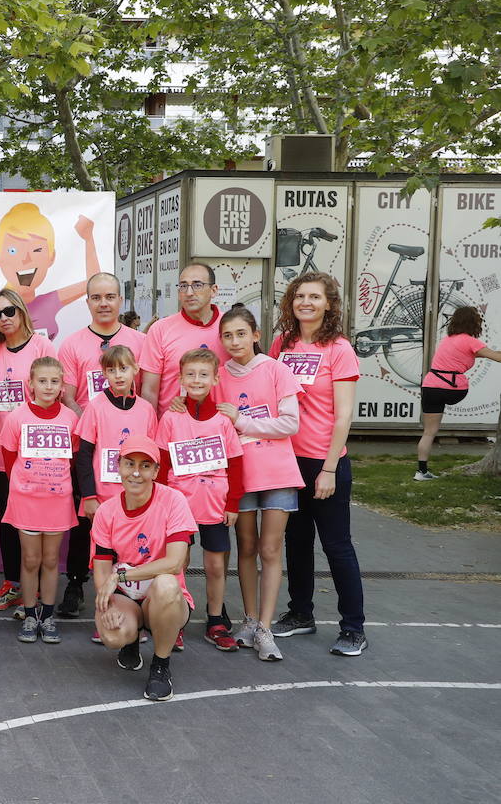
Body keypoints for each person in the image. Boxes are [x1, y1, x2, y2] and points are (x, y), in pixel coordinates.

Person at [268, 274, 367, 656]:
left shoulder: (339, 349)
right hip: (286, 462)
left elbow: (343, 417)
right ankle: (300, 613)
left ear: (329, 304)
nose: (305, 302)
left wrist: (328, 469)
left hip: (324, 463)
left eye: (314, 296)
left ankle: (353, 627)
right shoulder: (283, 344)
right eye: (299, 295)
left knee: (337, 546)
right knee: (297, 541)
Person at [55, 272, 146, 618]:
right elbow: (66, 392)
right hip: (90, 443)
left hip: (131, 449)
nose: (104, 303)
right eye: (96, 297)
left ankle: (129, 587)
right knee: (86, 520)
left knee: (130, 518)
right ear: (88, 302)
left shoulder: (139, 340)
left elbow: (148, 390)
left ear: (120, 300)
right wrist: (94, 416)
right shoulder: (72, 343)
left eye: (110, 296)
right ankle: (77, 583)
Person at [213, 303, 301, 661]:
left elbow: (289, 423)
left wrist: (244, 422)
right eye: (227, 336)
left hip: (277, 472)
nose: (234, 341)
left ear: (256, 336)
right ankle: (249, 620)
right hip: (241, 476)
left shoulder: (277, 370)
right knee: (245, 548)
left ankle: (265, 627)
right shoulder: (219, 376)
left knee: (270, 549)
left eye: (240, 334)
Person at [90, 434, 198, 702]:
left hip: (163, 597)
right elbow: (102, 570)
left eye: (145, 465)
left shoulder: (173, 501)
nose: (136, 472)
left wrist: (122, 575)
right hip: (127, 596)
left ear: (156, 471)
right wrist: (109, 605)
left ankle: (161, 665)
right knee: (112, 634)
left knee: (166, 583)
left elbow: (174, 562)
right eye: (129, 464)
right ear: (119, 466)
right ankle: (130, 640)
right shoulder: (107, 511)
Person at [155, 348, 244, 651]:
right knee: (177, 564)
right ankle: (176, 619)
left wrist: (233, 503)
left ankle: (215, 620)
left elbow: (236, 464)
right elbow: (162, 464)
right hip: (178, 505)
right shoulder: (171, 417)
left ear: (216, 378)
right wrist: (159, 502)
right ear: (180, 378)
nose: (196, 379)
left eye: (203, 374)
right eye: (190, 374)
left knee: (215, 565)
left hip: (214, 506)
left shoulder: (221, 420)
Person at [0, 288, 55, 614]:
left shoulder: (41, 346)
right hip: (2, 455)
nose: (4, 319)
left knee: (38, 523)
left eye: (9, 311)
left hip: (38, 456)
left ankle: (38, 588)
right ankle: (13, 583)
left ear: (22, 311)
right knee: (9, 521)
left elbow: (56, 392)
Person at [0, 356, 77, 643]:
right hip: (26, 501)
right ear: (30, 383)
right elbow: (9, 457)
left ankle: (47, 614)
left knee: (51, 559)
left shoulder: (70, 418)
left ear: (62, 386)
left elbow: (74, 458)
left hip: (57, 502)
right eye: (42, 381)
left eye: (54, 381)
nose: (48, 386)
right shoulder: (17, 417)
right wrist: (26, 485)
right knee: (30, 559)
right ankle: (29, 614)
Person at [0, 205, 100, 340]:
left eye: (37, 250)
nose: (26, 260)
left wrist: (88, 239)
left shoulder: (48, 301)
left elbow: (93, 283)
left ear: (51, 257)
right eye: (13, 251)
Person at [417, 306, 500, 480]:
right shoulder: (471, 341)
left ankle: (421, 471)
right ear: (473, 322)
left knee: (429, 432)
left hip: (430, 386)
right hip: (453, 390)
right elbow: (496, 357)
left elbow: (471, 355)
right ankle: (422, 472)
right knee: (460, 383)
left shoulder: (448, 340)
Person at [139, 263, 228, 414]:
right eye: (183, 286)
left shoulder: (230, 328)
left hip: (222, 430)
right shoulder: (160, 330)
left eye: (197, 285)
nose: (189, 292)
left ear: (214, 290)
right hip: (174, 430)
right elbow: (149, 391)